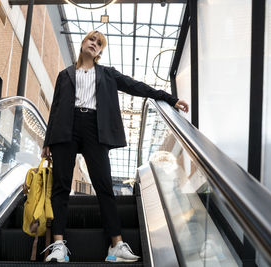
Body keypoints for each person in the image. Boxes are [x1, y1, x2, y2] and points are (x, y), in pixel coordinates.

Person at [41, 30, 189, 263]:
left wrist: (170, 98)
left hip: (94, 128)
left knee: (104, 187)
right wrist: (47, 141)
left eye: (99, 43)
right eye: (92, 39)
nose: (94, 44)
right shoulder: (64, 75)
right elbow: (56, 107)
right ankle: (58, 246)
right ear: (83, 43)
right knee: (60, 187)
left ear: (100, 51)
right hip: (65, 129)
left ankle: (116, 245)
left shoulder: (108, 74)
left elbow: (137, 87)